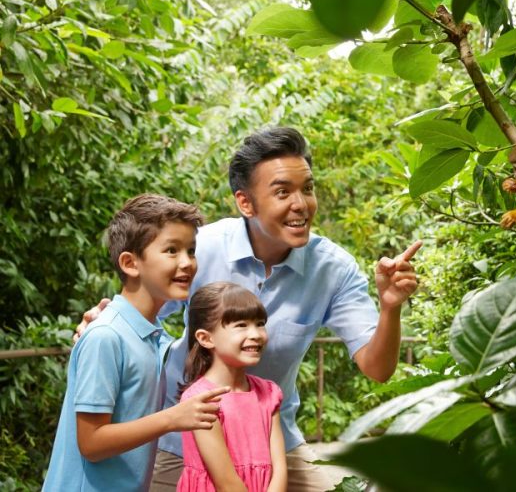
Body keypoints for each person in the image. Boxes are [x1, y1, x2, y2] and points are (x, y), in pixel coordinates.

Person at [78, 127, 421, 491]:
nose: (301, 204)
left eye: (307, 188)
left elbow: (378, 368)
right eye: (282, 192)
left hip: (273, 444)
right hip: (187, 438)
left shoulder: (334, 269)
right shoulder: (199, 249)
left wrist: (389, 308)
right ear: (246, 203)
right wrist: (104, 324)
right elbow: (142, 315)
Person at [44, 194, 230, 492]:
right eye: (172, 250)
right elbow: (91, 443)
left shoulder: (154, 338)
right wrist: (172, 418)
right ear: (130, 263)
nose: (187, 263)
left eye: (191, 251)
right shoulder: (106, 336)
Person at [177, 281, 287, 492]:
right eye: (241, 325)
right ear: (206, 338)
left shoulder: (269, 393)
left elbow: (280, 467)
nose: (255, 334)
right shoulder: (201, 399)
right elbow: (226, 482)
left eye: (260, 323)